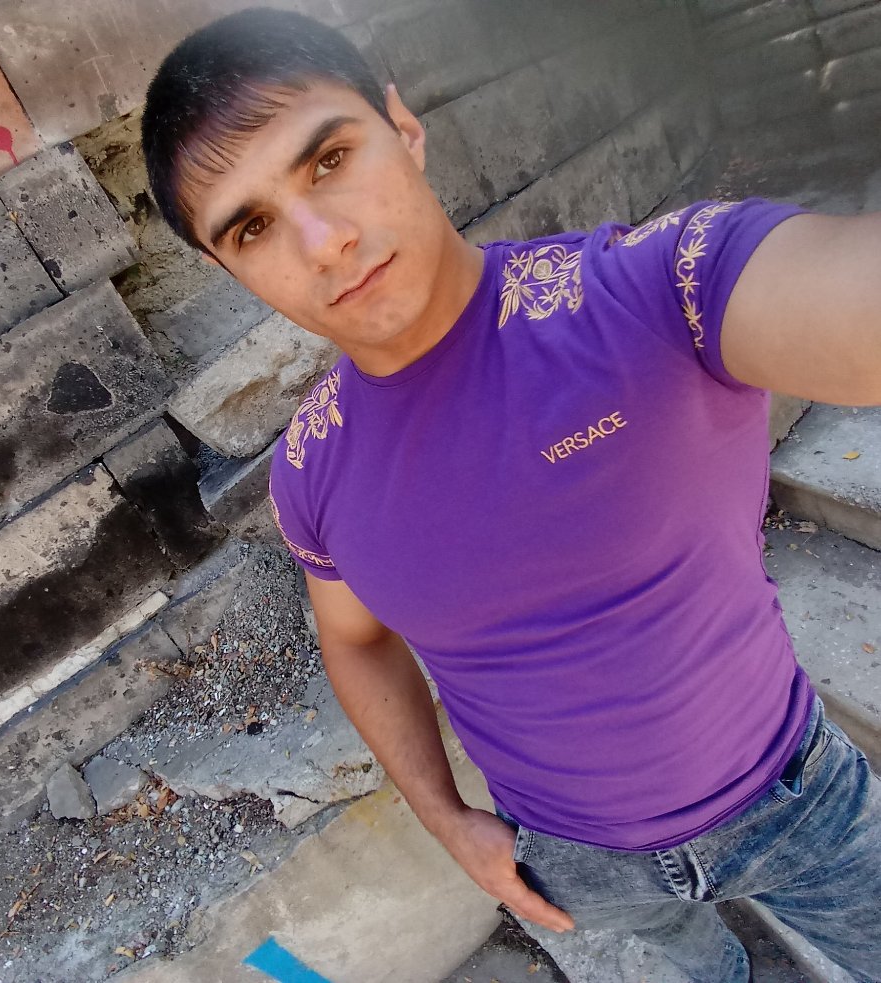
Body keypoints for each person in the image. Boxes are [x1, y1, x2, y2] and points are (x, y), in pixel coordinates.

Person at [141, 8, 881, 981]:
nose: (323, 242)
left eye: (328, 160)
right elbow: (354, 640)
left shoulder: (644, 293)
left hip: (796, 801)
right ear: (224, 266)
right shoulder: (311, 468)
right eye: (252, 225)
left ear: (403, 128)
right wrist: (446, 819)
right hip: (571, 864)